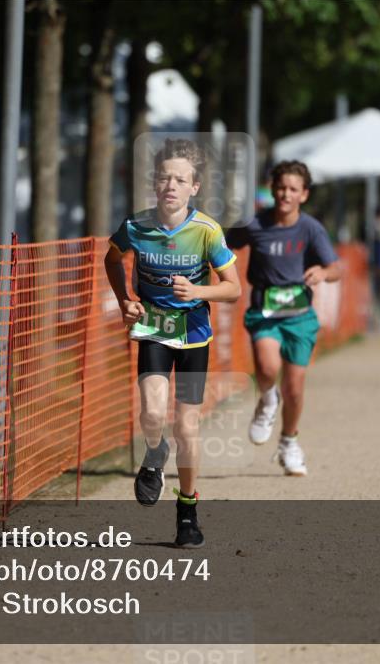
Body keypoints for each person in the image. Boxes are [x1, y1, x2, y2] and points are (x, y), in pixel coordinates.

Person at [104, 138, 241, 548]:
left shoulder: (206, 231)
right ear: (154, 183)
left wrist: (198, 293)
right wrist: (126, 300)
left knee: (187, 424)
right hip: (154, 331)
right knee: (151, 414)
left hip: (194, 335)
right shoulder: (136, 227)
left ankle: (187, 512)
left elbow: (233, 288)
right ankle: (154, 452)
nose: (171, 185)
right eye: (164, 177)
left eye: (180, 179)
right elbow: (112, 259)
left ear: (194, 187)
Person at [226, 161, 341, 476]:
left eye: (293, 189)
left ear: (303, 194)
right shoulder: (255, 224)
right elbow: (222, 242)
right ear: (272, 189)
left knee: (294, 386)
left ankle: (289, 442)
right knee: (266, 368)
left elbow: (337, 268)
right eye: (280, 187)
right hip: (264, 312)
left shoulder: (311, 229)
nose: (285, 194)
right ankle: (266, 400)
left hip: (300, 317)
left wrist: (323, 272)